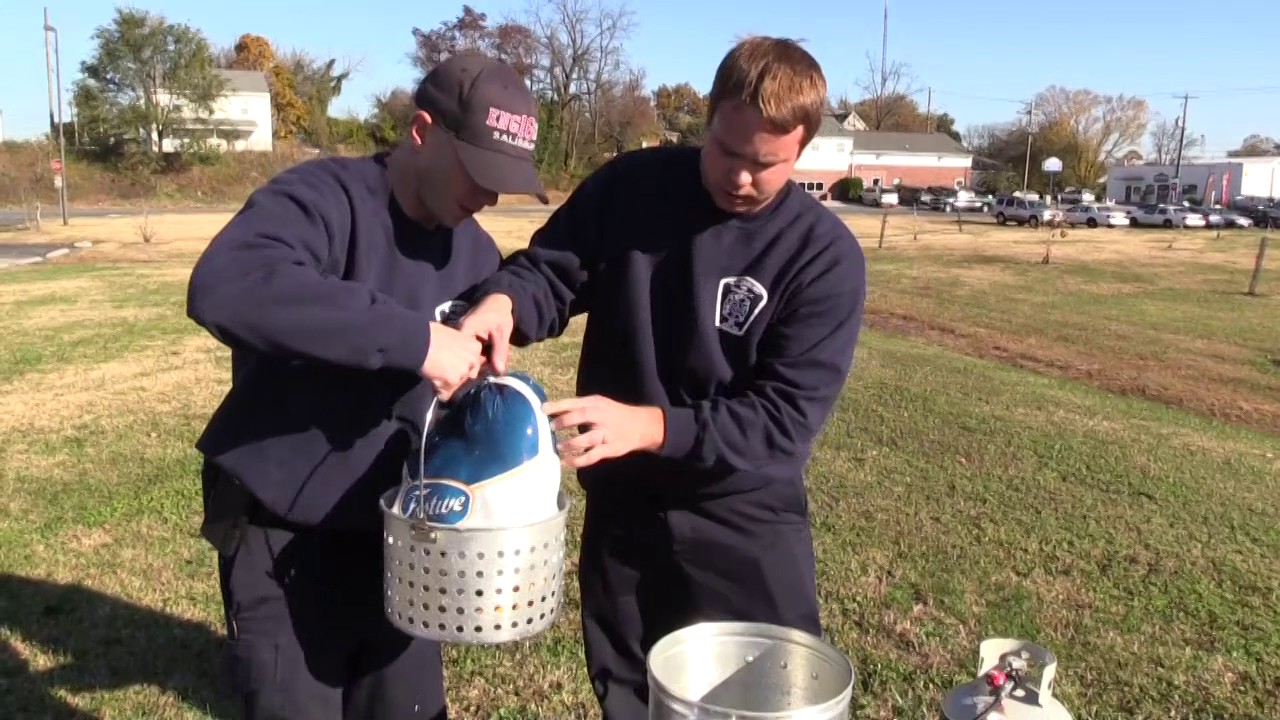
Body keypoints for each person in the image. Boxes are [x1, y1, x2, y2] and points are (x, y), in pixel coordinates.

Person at [459, 36, 867, 720]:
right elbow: (552, 271)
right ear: (707, 121)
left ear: (801, 151)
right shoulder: (632, 189)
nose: (740, 177)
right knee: (629, 696)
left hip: (742, 525)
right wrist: (505, 303)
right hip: (624, 517)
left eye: (766, 165)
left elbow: (780, 426)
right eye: (727, 152)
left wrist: (647, 425)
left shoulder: (823, 258)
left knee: (760, 706)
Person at [185, 53, 548, 720]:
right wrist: (416, 341)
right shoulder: (324, 199)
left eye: (505, 182)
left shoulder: (473, 255)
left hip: (403, 542)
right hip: (284, 530)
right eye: (478, 172)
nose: (489, 198)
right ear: (421, 131)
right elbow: (225, 286)